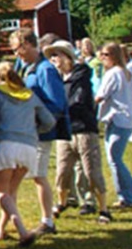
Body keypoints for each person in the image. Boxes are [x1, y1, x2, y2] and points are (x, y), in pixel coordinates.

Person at [44, 41, 112, 223]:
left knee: (91, 171)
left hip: (84, 130)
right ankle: (62, 202)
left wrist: (58, 109)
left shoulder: (81, 76)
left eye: (56, 55)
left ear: (67, 57)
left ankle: (104, 209)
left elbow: (78, 102)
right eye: (51, 56)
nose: (53, 59)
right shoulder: (57, 79)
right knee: (62, 171)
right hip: (65, 131)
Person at [0, 62, 55, 245]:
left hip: (7, 144)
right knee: (11, 192)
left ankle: (22, 231)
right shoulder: (29, 94)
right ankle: (0, 231)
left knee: (1, 192)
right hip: (29, 146)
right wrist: (33, 131)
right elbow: (49, 121)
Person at [10, 28, 67, 236]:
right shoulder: (27, 67)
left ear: (27, 45)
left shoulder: (45, 70)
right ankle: (6, 223)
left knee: (38, 175)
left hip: (40, 133)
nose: (16, 54)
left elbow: (56, 104)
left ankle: (47, 221)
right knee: (17, 176)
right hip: (26, 131)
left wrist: (36, 120)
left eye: (17, 49)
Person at [96, 42, 132, 209]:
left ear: (115, 56)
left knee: (115, 159)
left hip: (118, 119)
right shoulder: (126, 72)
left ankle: (131, 196)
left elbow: (101, 95)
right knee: (113, 159)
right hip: (123, 120)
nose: (103, 58)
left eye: (106, 54)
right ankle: (124, 196)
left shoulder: (114, 73)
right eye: (102, 54)